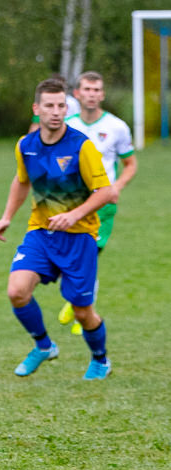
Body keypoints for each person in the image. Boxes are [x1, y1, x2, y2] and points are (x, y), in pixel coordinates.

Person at [0, 78, 118, 380]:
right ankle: (44, 346)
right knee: (17, 291)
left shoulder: (81, 146)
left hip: (80, 238)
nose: (56, 112)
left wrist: (75, 214)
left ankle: (100, 360)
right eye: (49, 106)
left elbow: (107, 192)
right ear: (37, 109)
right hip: (41, 233)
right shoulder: (26, 145)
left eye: (61, 106)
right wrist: (7, 215)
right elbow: (22, 181)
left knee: (82, 312)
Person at [58, 71, 137, 335]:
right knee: (70, 256)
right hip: (71, 202)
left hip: (103, 203)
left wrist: (116, 187)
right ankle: (77, 300)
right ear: (77, 94)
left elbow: (130, 164)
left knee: (90, 254)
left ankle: (82, 308)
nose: (92, 94)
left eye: (97, 90)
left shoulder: (117, 127)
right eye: (87, 89)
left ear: (102, 95)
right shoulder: (66, 125)